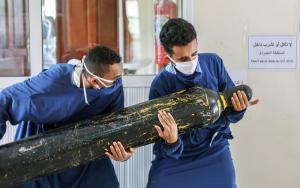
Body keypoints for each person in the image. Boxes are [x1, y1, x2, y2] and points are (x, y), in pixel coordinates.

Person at [0, 45, 135, 188]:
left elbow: (116, 123)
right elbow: (4, 101)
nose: (118, 81)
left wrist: (123, 150)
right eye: (115, 78)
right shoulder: (49, 82)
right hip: (44, 150)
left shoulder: (113, 87)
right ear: (94, 81)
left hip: (87, 151)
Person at [147, 18, 259, 188]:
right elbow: (160, 141)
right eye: (183, 59)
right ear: (169, 56)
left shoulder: (214, 63)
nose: (191, 61)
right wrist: (172, 141)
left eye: (194, 54)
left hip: (214, 149)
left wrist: (238, 109)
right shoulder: (160, 85)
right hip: (176, 157)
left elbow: (230, 114)